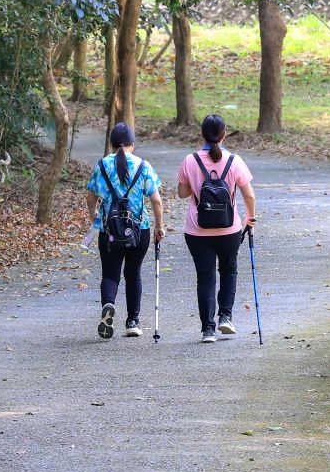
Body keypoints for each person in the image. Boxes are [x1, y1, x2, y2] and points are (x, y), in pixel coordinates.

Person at [177, 114, 257, 343]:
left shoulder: (190, 160)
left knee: (205, 277)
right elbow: (249, 194)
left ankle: (208, 330)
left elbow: (182, 194)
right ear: (224, 135)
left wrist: (195, 186)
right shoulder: (235, 161)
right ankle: (225, 317)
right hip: (229, 229)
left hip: (197, 230)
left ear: (202, 134)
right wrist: (250, 218)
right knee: (229, 270)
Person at [86, 123, 165, 339]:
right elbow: (156, 201)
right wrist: (160, 226)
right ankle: (132, 322)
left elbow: (91, 196)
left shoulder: (102, 165)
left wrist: (94, 215)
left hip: (108, 230)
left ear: (111, 144)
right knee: (133, 274)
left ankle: (109, 304)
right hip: (139, 229)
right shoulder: (143, 165)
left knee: (110, 274)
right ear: (133, 144)